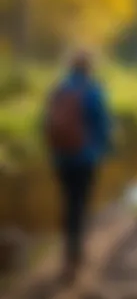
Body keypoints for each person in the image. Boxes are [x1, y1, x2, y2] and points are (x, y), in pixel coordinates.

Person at [43, 51, 111, 284]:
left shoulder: (59, 89)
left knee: (68, 201)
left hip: (62, 158)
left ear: (70, 67)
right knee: (80, 203)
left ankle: (68, 252)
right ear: (89, 68)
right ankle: (76, 254)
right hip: (86, 158)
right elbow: (103, 125)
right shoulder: (93, 91)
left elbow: (45, 123)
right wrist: (104, 150)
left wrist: (54, 151)